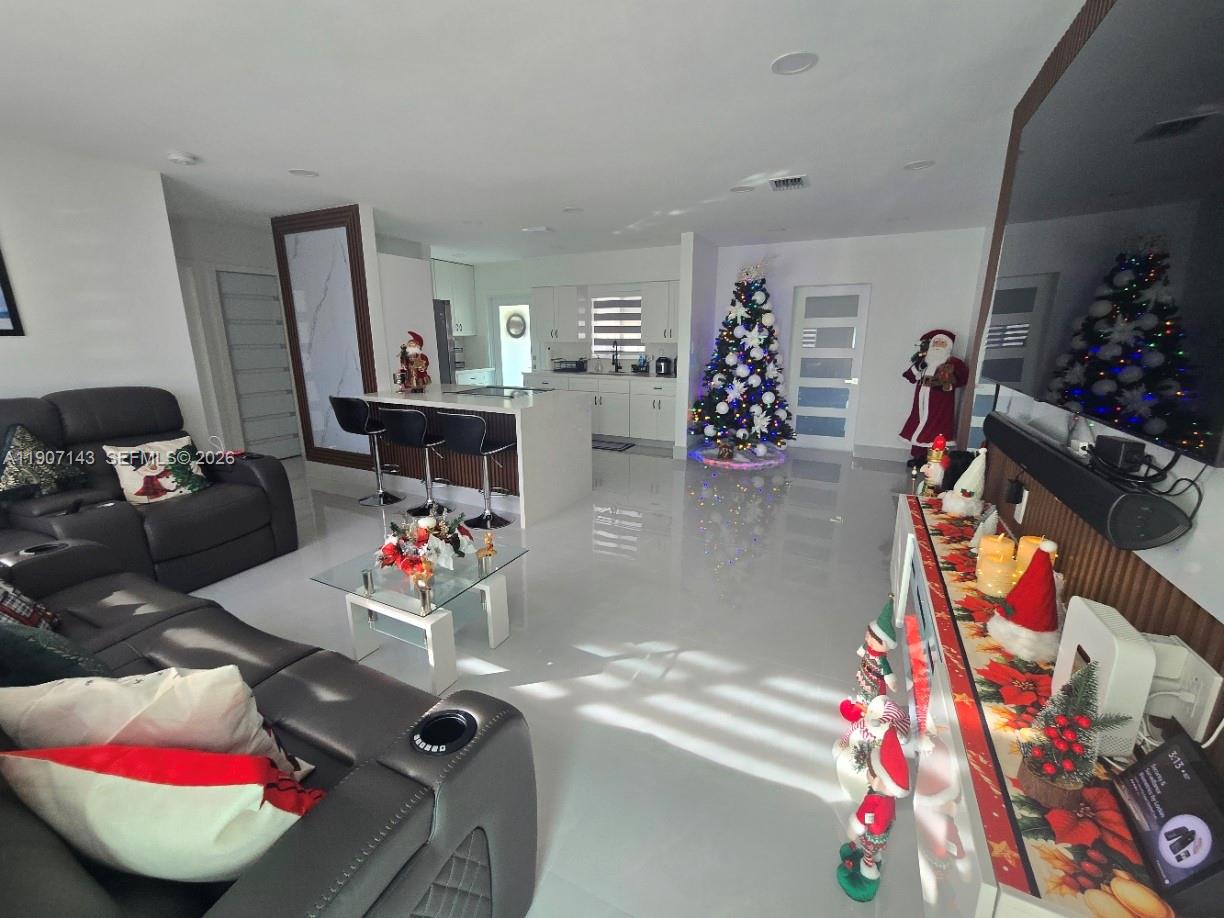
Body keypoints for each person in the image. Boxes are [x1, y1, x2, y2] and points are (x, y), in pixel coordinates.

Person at [900, 329, 968, 463]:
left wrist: (943, 382)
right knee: (918, 423)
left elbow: (961, 379)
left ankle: (934, 460)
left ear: (948, 346)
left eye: (942, 343)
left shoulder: (954, 362)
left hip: (940, 403)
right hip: (921, 401)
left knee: (938, 428)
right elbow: (910, 376)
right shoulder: (924, 360)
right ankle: (919, 456)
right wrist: (920, 365)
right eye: (936, 342)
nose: (938, 345)